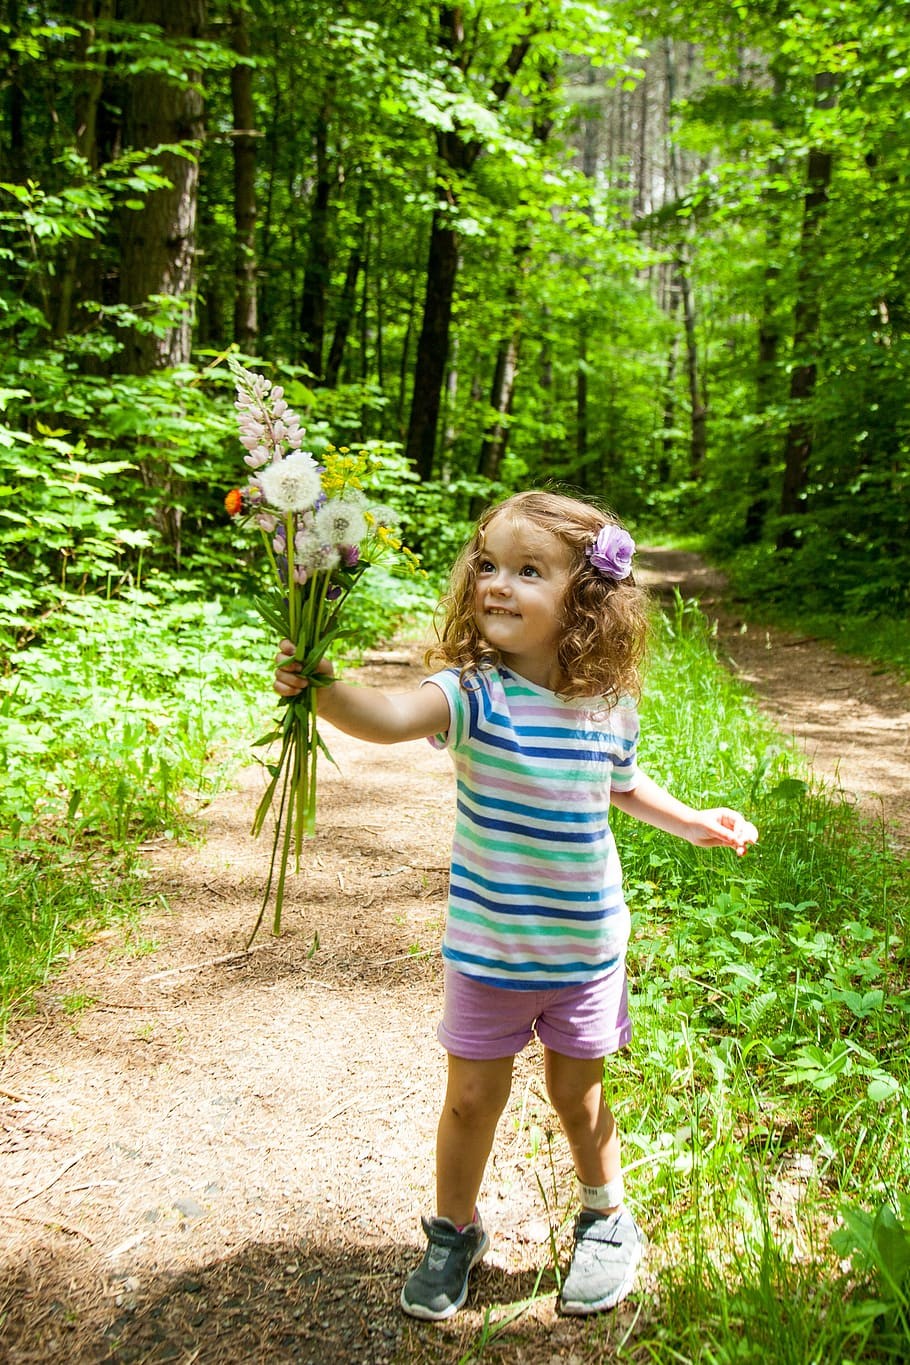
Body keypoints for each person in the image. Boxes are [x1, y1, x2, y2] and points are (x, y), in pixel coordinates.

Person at [273, 489, 758, 1322]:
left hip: (584, 952)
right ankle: (455, 1229)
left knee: (580, 1095)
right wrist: (322, 686)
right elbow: (388, 716)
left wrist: (692, 822)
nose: (497, 582)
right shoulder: (471, 695)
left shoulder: (607, 705)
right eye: (489, 564)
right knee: (469, 1098)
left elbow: (623, 784)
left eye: (528, 570)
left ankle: (607, 1216)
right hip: (490, 950)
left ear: (586, 598)